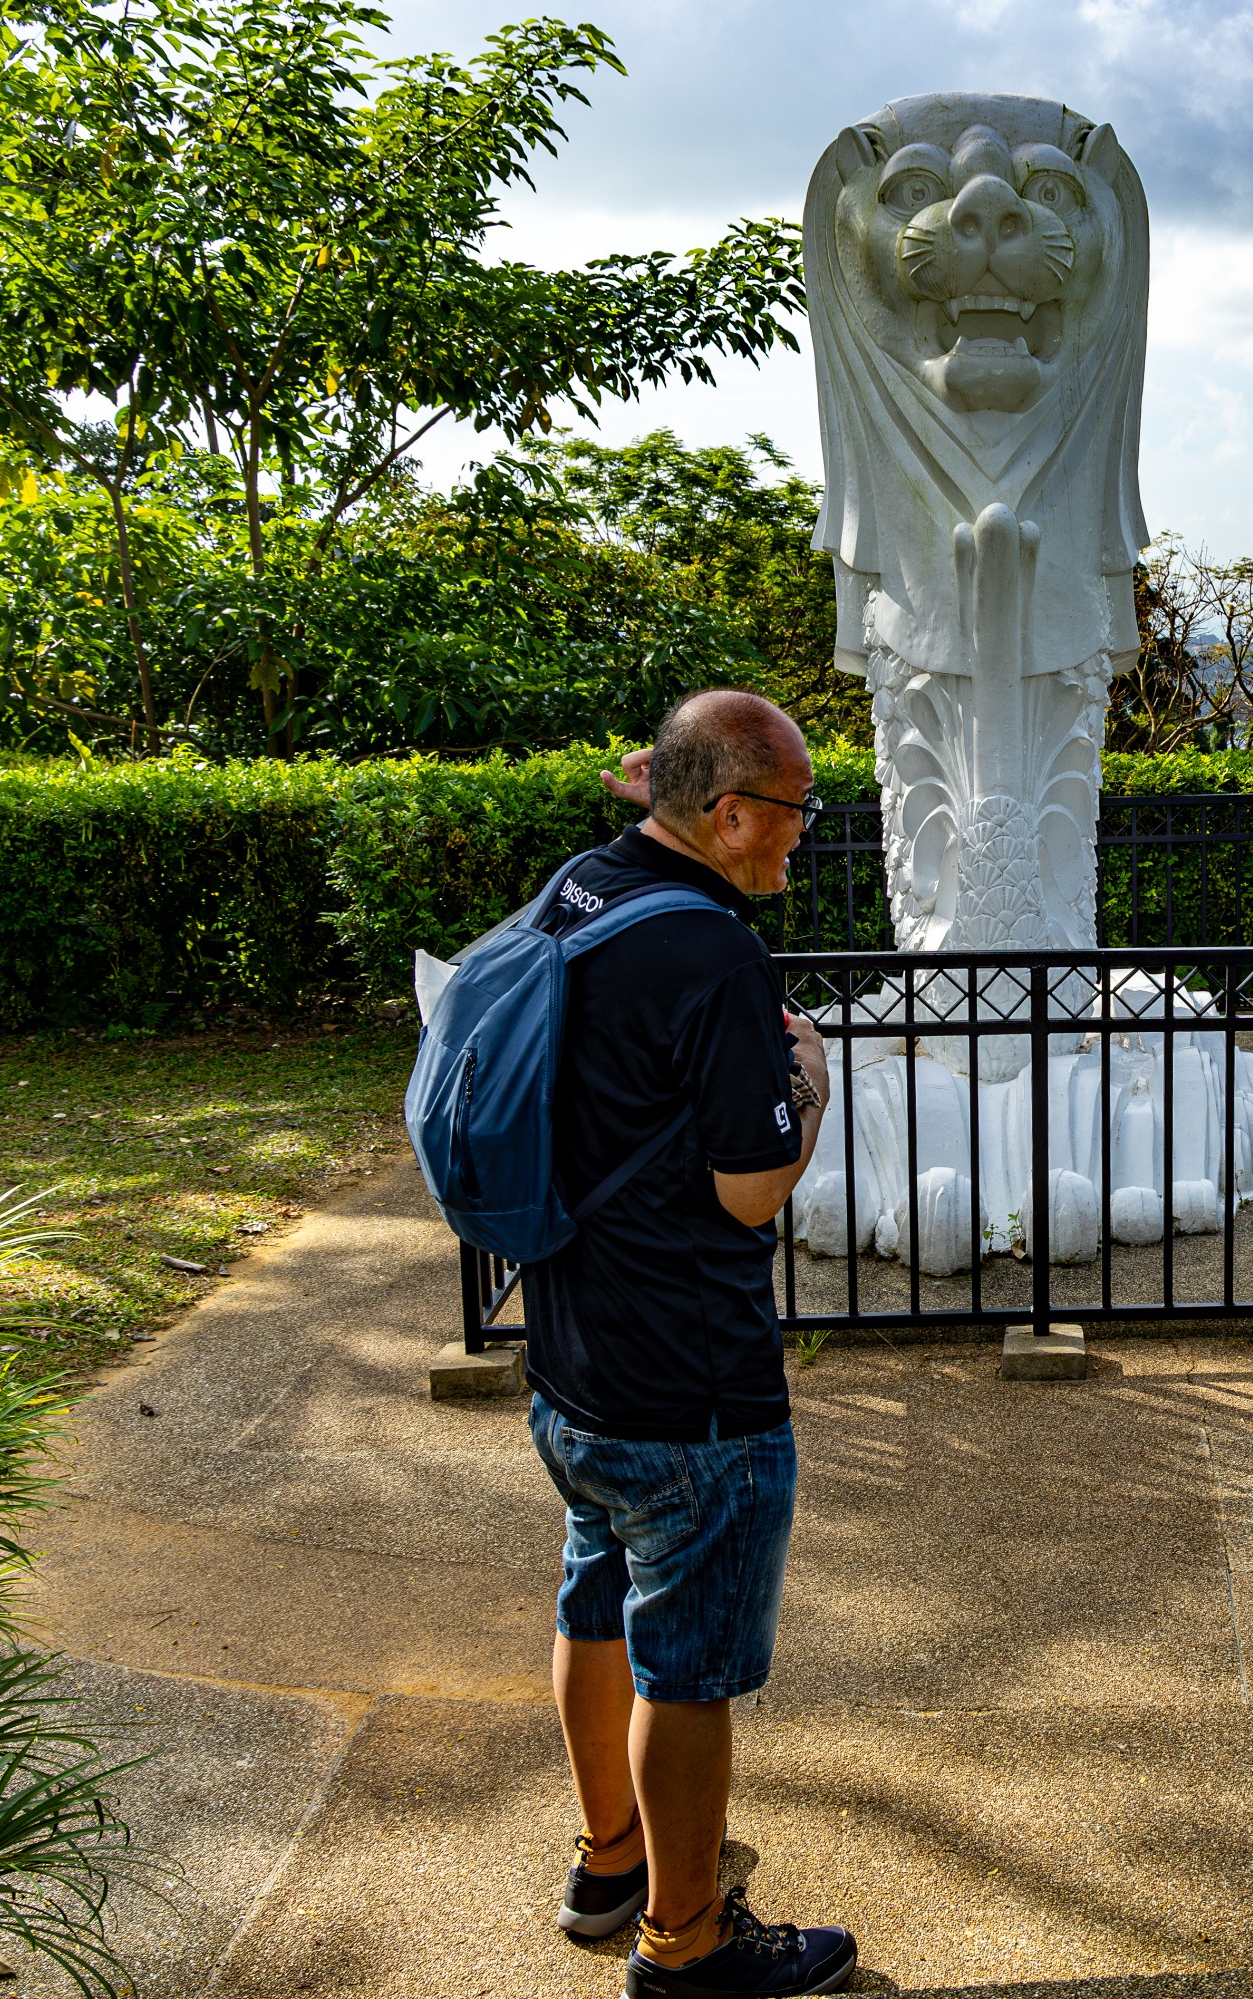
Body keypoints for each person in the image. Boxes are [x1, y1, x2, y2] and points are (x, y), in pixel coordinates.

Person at [529, 689, 858, 1998]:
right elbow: (751, 1183)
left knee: (594, 1594)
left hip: (572, 1351)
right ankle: (686, 1942)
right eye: (792, 813)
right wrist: (812, 1080)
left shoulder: (579, 891)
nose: (799, 838)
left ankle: (610, 1857)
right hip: (690, 1379)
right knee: (688, 1665)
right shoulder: (716, 954)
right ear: (726, 814)